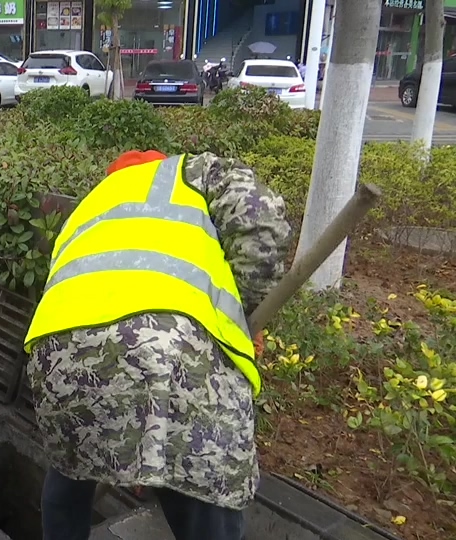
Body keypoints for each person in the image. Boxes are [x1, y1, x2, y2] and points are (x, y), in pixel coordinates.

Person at [22, 150, 292, 540]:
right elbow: (258, 213)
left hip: (57, 357)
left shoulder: (87, 210)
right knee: (205, 491)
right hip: (173, 354)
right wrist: (244, 309)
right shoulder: (188, 173)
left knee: (70, 471)